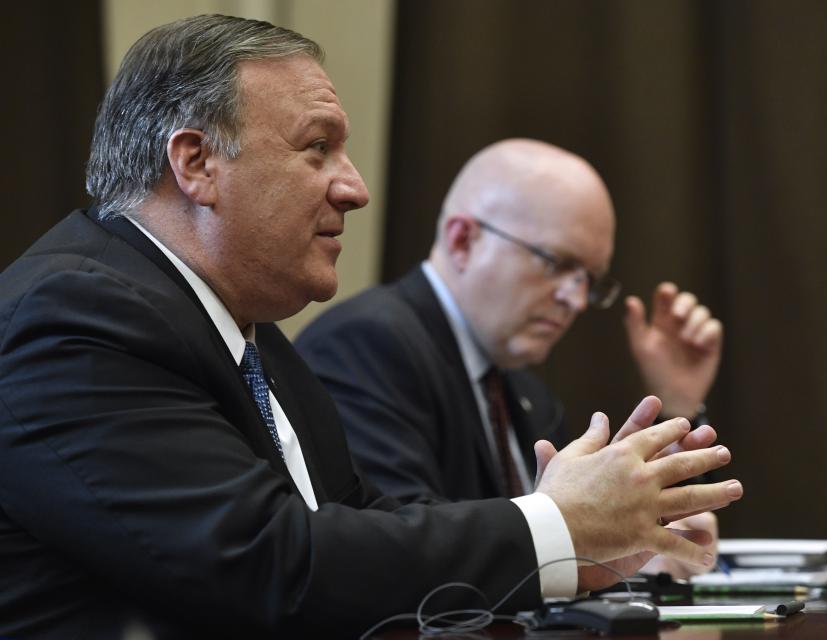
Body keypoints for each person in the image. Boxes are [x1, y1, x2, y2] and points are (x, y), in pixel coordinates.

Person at [0, 15, 742, 639]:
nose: (353, 188)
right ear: (195, 163)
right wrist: (557, 523)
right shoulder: (75, 318)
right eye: (316, 147)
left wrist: (587, 549)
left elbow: (368, 527)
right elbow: (269, 566)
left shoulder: (250, 339)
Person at [295, 139, 724, 576]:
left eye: (589, 280)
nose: (575, 299)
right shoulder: (368, 344)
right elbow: (400, 544)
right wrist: (592, 557)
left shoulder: (524, 393)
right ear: (463, 240)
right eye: (555, 262)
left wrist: (676, 409)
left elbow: (572, 539)